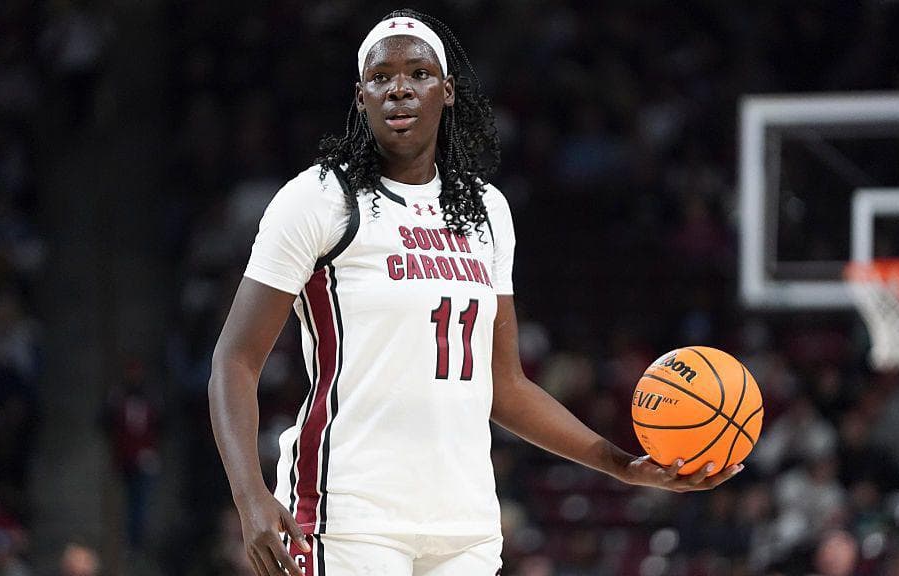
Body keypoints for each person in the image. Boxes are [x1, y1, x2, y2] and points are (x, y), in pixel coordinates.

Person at [208, 9, 742, 576]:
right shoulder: (319, 198)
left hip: (464, 524)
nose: (399, 89)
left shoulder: (487, 210)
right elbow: (234, 361)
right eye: (381, 77)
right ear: (360, 97)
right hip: (347, 511)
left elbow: (504, 386)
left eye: (418, 73)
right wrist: (251, 497)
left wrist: (622, 465)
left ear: (448, 91)